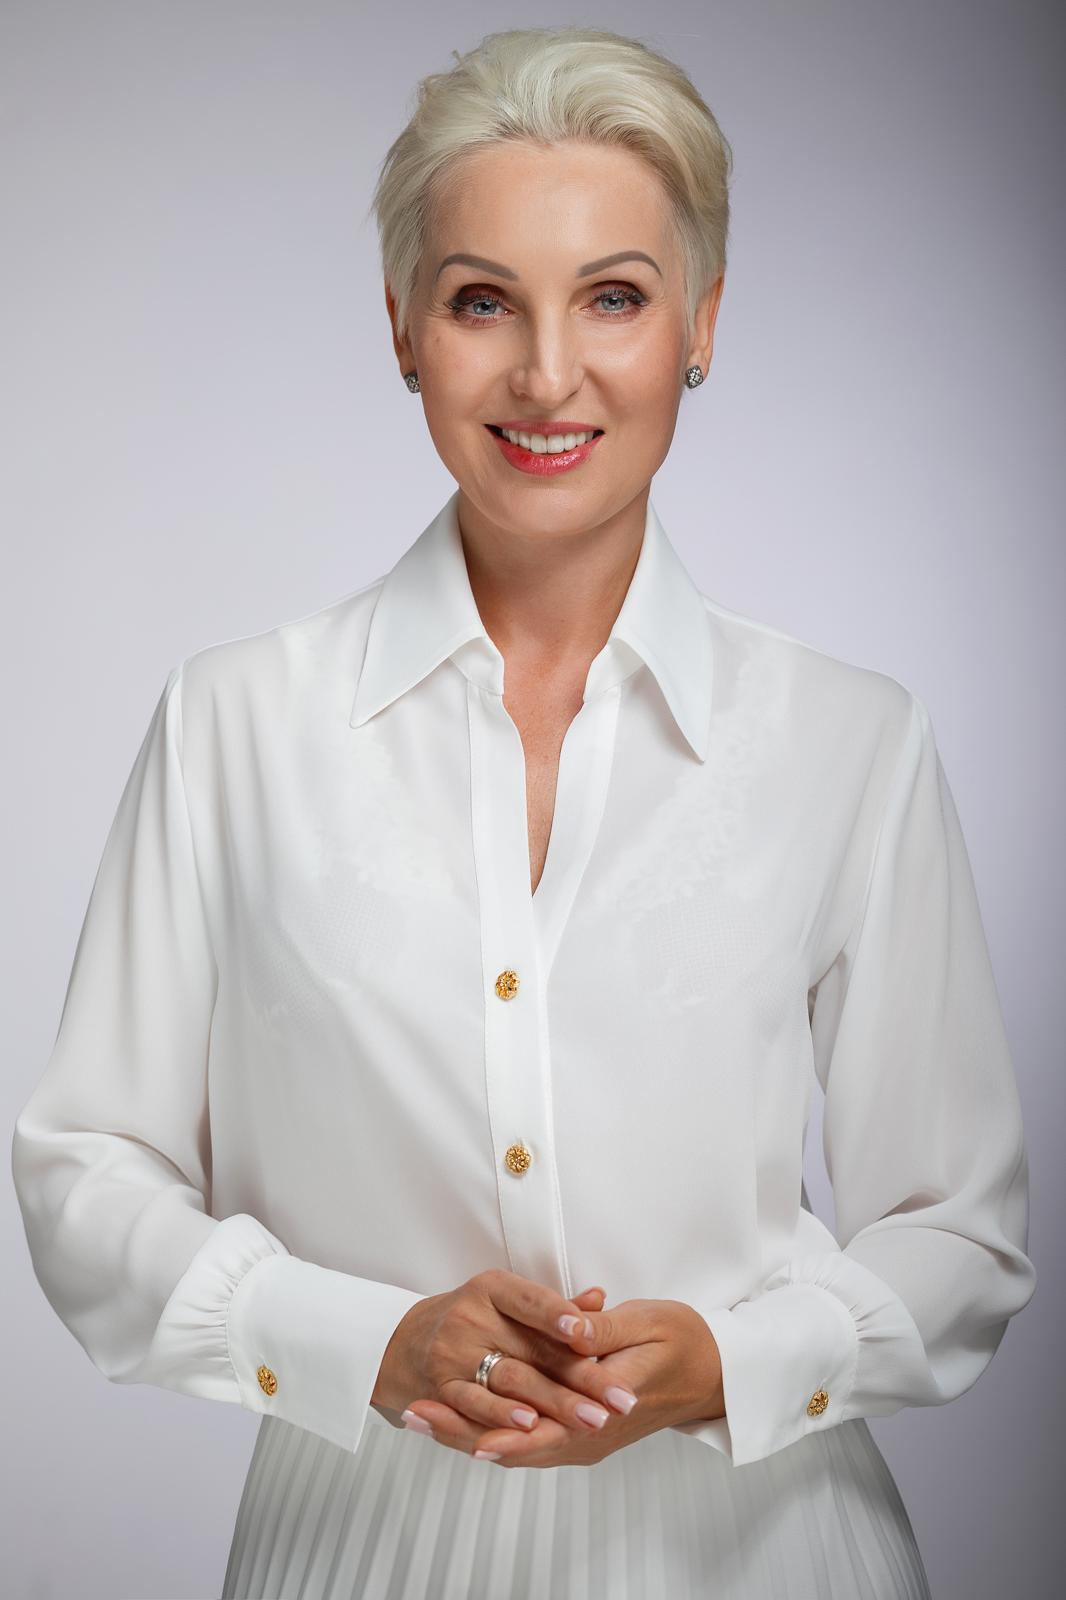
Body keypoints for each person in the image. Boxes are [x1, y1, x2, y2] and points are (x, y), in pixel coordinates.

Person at [11, 23, 1036, 1600]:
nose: (548, 375)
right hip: (362, 1554)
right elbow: (85, 1174)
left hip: (764, 1555)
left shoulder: (851, 743)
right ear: (403, 329)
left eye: (612, 297)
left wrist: (734, 1363)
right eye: (482, 300)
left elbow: (958, 1231)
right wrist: (363, 1342)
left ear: (700, 322)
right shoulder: (232, 724)